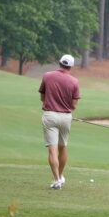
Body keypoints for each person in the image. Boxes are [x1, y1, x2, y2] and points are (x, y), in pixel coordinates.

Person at [38, 54, 80, 190]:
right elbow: (74, 104)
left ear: (60, 63)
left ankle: (57, 180)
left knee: (52, 149)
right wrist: (66, 108)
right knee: (63, 147)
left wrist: (50, 103)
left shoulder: (47, 76)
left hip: (50, 115)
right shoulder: (74, 81)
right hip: (66, 117)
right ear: (71, 66)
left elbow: (42, 96)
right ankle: (60, 176)